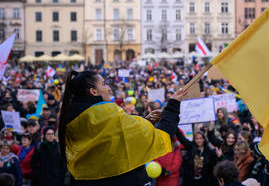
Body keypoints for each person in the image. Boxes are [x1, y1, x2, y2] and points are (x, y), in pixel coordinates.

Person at [58, 71, 186, 186]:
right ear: (94, 91)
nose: (108, 88)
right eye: (104, 84)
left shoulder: (75, 118)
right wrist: (173, 106)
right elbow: (162, 136)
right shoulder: (106, 113)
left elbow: (110, 140)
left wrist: (144, 122)